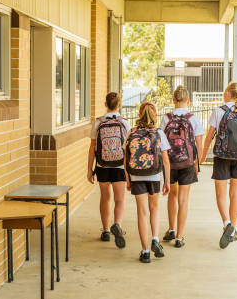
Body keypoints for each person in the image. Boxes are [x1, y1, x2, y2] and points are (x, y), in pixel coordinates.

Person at [200, 82, 237, 249]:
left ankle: (228, 224)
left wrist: (201, 156)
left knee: (220, 193)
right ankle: (232, 230)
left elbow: (208, 137)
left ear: (228, 94)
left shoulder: (219, 111)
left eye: (225, 91)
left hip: (221, 156)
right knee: (235, 193)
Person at [124, 102, 171, 263]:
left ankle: (145, 252)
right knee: (154, 208)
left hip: (136, 175)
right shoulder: (159, 133)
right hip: (154, 175)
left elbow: (125, 159)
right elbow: (165, 160)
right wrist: (167, 182)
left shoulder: (132, 132)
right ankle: (155, 239)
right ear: (155, 115)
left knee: (142, 212)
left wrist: (128, 179)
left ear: (139, 115)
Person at [160, 85, 204, 248]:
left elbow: (162, 142)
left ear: (173, 100)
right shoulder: (193, 119)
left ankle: (171, 229)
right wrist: (197, 164)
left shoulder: (166, 118)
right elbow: (198, 143)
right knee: (183, 199)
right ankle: (179, 237)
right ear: (188, 101)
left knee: (172, 195)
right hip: (187, 163)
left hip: (170, 164)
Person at [87, 92, 130, 248]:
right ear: (119, 105)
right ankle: (117, 225)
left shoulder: (98, 123)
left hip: (102, 166)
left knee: (105, 198)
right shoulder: (125, 123)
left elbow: (92, 148)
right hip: (119, 166)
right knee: (119, 199)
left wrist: (89, 170)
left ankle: (106, 231)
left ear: (105, 104)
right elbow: (130, 148)